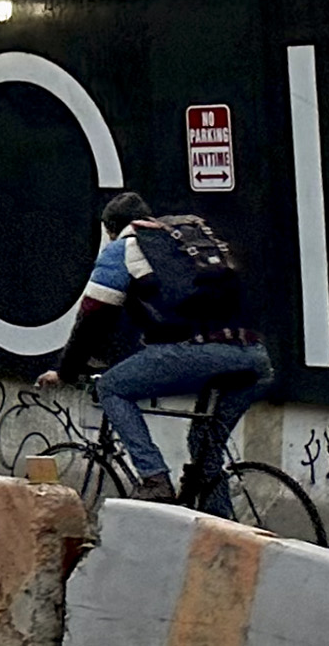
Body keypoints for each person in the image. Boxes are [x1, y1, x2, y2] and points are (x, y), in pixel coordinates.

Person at [47, 189, 272, 503]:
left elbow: (93, 318)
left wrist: (67, 371)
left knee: (112, 388)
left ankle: (154, 478)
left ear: (110, 229)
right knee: (204, 455)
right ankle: (222, 537)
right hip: (254, 357)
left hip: (197, 352)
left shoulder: (124, 247)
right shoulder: (182, 243)